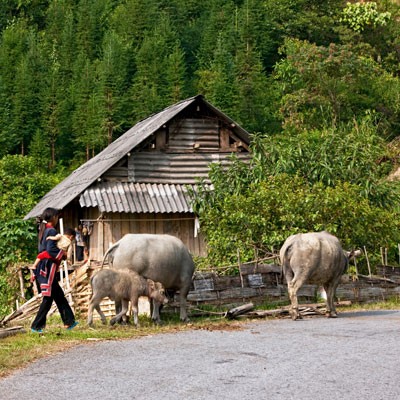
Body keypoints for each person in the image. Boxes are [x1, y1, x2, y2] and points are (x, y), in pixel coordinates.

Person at [31, 208, 78, 333]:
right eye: (57, 217)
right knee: (48, 298)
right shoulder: (51, 230)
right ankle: (36, 326)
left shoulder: (43, 229)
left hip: (44, 266)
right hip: (48, 267)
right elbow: (51, 250)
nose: (57, 220)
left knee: (58, 295)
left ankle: (69, 322)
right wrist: (62, 254)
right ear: (53, 217)